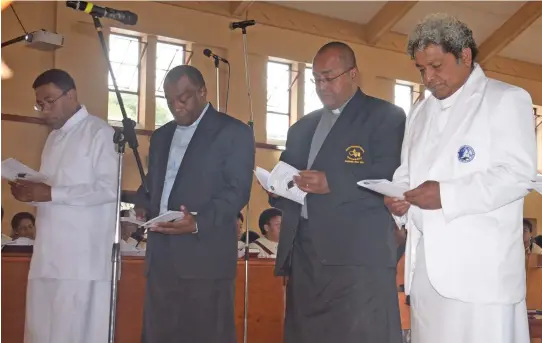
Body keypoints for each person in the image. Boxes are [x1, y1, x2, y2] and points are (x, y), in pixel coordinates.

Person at [385, 13, 536, 343]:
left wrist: (446, 195)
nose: (429, 78)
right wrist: (399, 199)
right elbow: (406, 173)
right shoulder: (420, 112)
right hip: (426, 271)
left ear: (465, 56)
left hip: (482, 273)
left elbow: (517, 176)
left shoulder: (506, 99)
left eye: (437, 66)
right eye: (422, 69)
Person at [270, 41, 406, 343]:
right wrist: (274, 186)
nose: (321, 86)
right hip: (305, 253)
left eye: (328, 77)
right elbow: (287, 174)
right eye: (316, 78)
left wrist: (333, 182)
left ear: (353, 73)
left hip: (358, 257)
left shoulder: (385, 116)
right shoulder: (302, 127)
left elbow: (390, 173)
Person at [134, 65, 255, 343]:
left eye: (183, 98)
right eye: (169, 100)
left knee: (206, 335)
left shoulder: (232, 132)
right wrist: (142, 205)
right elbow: (154, 183)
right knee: (158, 333)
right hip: (161, 256)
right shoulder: (162, 136)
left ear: (203, 92)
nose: (176, 107)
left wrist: (198, 221)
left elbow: (237, 191)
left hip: (205, 258)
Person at [10, 69, 118, 343]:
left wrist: (50, 193)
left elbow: (109, 189)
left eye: (50, 101)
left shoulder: (100, 133)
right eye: (40, 104)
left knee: (74, 334)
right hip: (48, 255)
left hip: (82, 263)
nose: (45, 110)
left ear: (71, 95)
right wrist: (31, 194)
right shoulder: (54, 138)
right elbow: (53, 190)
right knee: (41, 333)